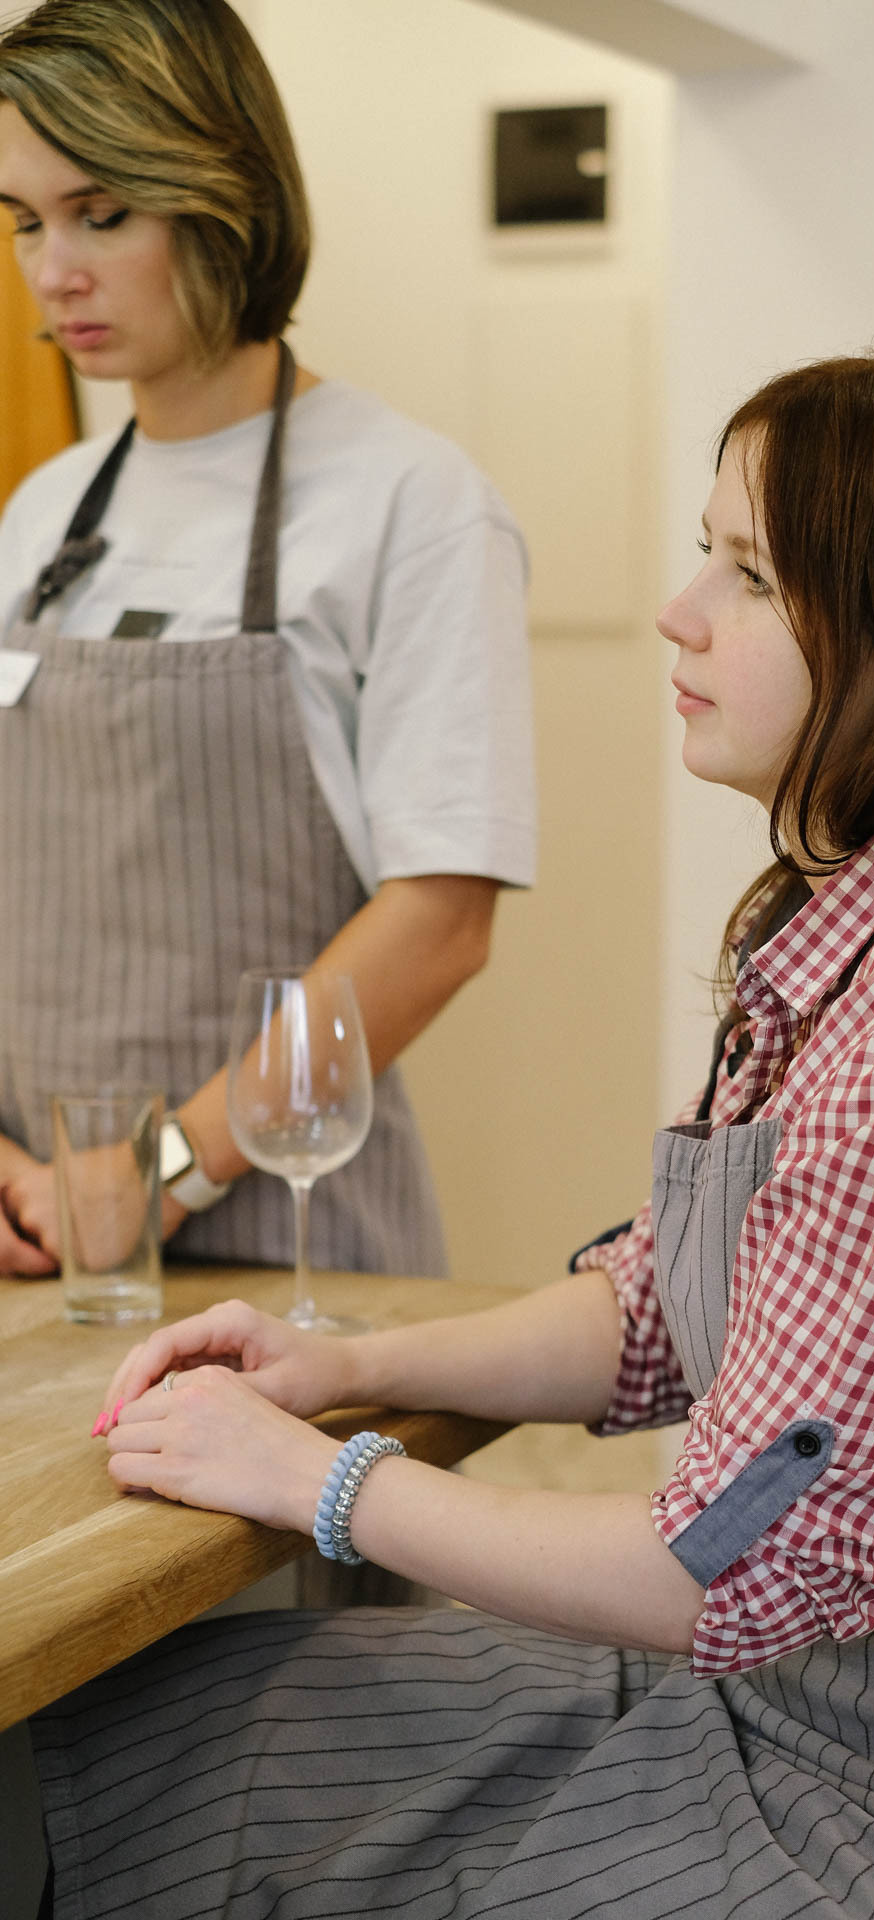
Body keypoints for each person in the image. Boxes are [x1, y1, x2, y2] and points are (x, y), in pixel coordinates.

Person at [32, 350, 874, 1920]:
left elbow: (735, 1565)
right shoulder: (851, 930)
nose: (681, 612)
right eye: (708, 551)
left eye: (748, 575)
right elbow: (664, 1301)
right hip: (813, 1706)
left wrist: (319, 1480)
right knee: (172, 1728)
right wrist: (352, 1369)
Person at [0, 0, 533, 1279]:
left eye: (102, 213)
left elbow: (442, 916)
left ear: (223, 193)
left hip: (292, 1243)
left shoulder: (410, 500)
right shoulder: (41, 511)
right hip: (39, 1242)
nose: (53, 268)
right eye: (23, 222)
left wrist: (162, 1173)